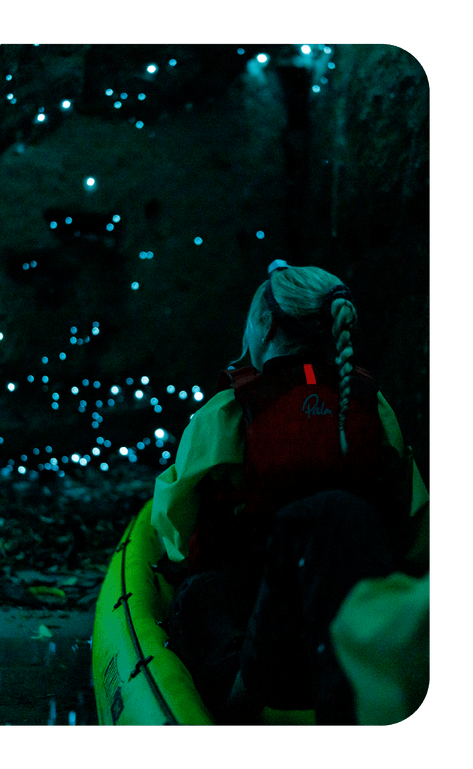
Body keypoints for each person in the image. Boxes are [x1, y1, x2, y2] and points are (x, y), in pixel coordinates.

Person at [151, 260, 429, 725]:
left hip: (257, 625)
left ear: (264, 324)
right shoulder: (372, 405)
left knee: (199, 591)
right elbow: (414, 525)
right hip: (346, 621)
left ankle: (232, 701)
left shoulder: (227, 412)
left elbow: (174, 530)